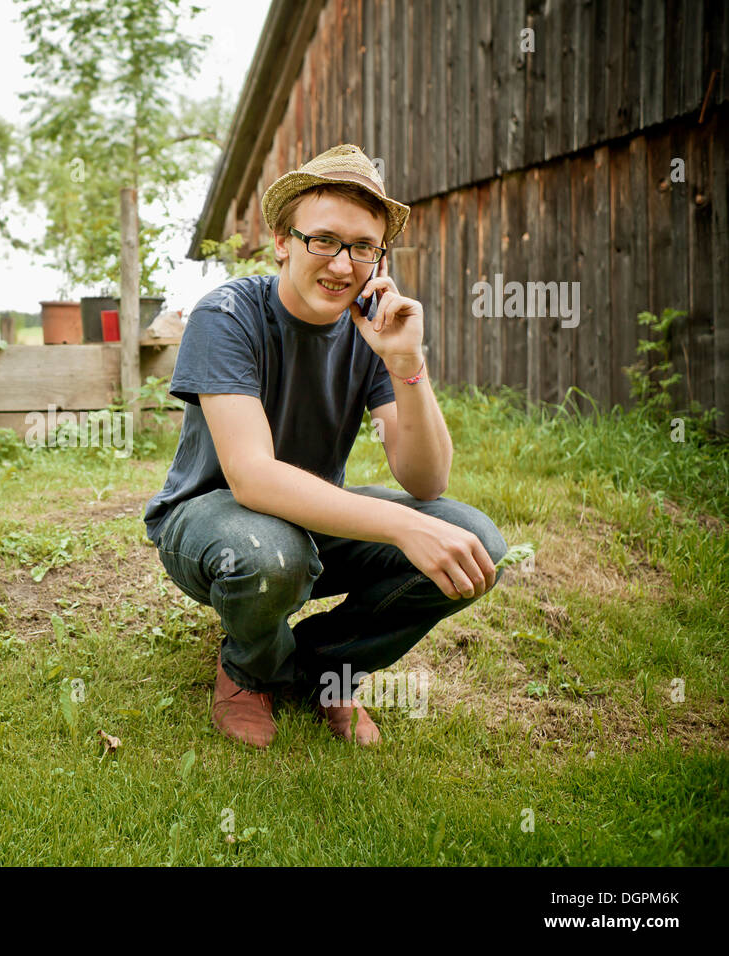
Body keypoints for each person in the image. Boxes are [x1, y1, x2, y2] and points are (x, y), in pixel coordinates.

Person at [143, 144, 508, 749]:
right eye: (325, 240)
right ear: (284, 241)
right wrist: (400, 527)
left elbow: (426, 481)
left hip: (309, 521)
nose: (343, 264)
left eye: (363, 247)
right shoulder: (228, 315)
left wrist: (406, 363)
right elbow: (253, 480)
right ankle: (249, 669)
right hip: (213, 521)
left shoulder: (372, 334)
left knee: (476, 539)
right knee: (270, 552)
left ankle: (325, 672)